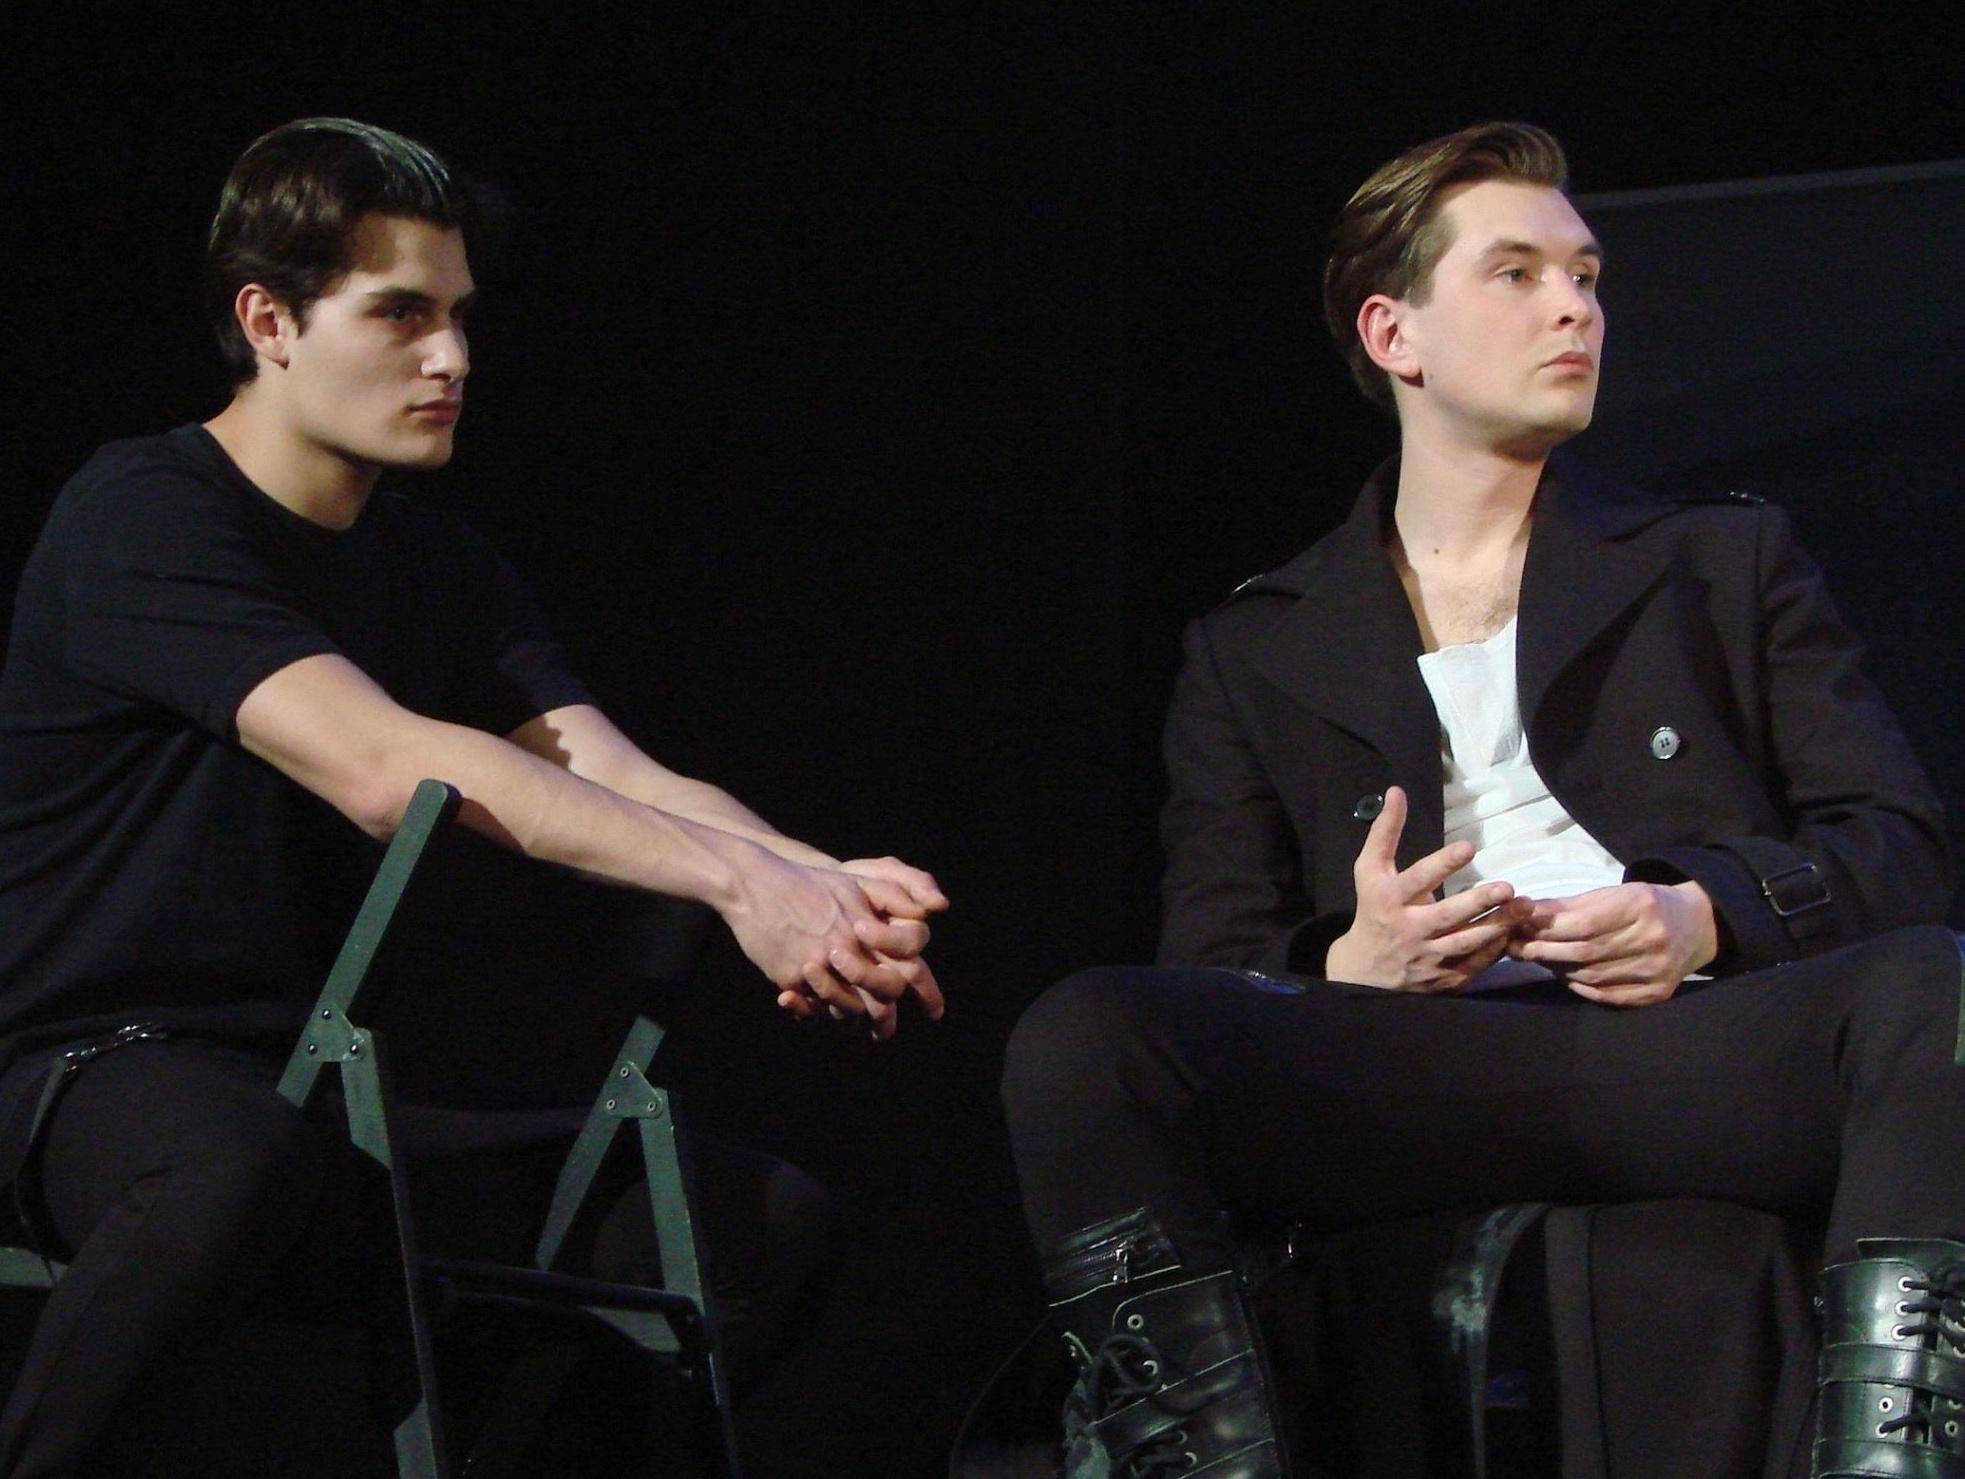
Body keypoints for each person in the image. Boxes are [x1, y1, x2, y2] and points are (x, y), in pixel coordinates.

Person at [1001, 122, 1965, 1479]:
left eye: (1586, 275)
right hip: (1410, 1075)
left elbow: (1898, 846)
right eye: (1516, 273)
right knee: (1087, 1036)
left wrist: (1700, 915)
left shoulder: (1718, 558)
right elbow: (1211, 961)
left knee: (1938, 987)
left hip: (1680, 1054)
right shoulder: (1254, 643)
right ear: (1392, 333)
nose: (1574, 306)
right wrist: (1351, 967)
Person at [0, 117, 947, 1477]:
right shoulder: (141, 515)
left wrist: (819, 880)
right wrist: (744, 885)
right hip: (83, 1070)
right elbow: (393, 770)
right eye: (400, 314)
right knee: (230, 1167)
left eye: (458, 316)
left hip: (311, 1098)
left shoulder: (436, 565)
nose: (450, 358)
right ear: (269, 322)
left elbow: (605, 768)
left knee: (748, 1220)